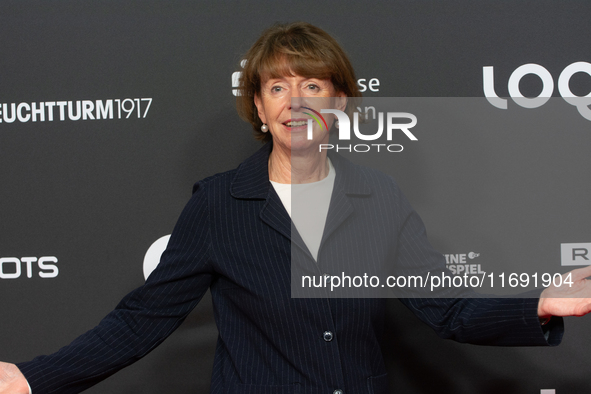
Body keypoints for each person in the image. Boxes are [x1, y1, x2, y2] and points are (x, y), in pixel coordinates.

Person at [2, 21, 591, 394]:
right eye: (278, 87)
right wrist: (35, 378)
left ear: (339, 104)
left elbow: (446, 307)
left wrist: (538, 303)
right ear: (259, 108)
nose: (296, 101)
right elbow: (141, 321)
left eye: (313, 85)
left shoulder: (377, 197)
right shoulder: (219, 205)